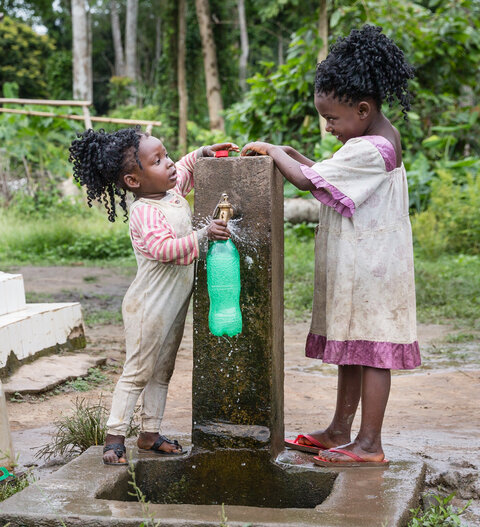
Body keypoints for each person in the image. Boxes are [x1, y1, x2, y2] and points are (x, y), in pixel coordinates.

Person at [241, 25, 419, 466]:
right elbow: (324, 170)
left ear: (362, 109)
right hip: (365, 266)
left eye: (333, 119)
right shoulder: (371, 138)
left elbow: (306, 181)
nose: (328, 127)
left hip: (374, 271)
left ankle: (370, 444)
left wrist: (269, 150)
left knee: (374, 351)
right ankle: (340, 430)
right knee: (355, 348)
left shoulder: (371, 149)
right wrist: (292, 153)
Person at [69, 128, 238, 464]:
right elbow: (163, 250)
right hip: (148, 305)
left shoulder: (171, 192)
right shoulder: (144, 212)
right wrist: (203, 235)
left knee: (162, 370)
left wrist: (202, 151)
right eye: (158, 161)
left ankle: (149, 433)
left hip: (172, 305)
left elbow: (186, 169)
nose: (170, 163)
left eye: (167, 154)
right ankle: (115, 437)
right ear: (134, 180)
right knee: (138, 371)